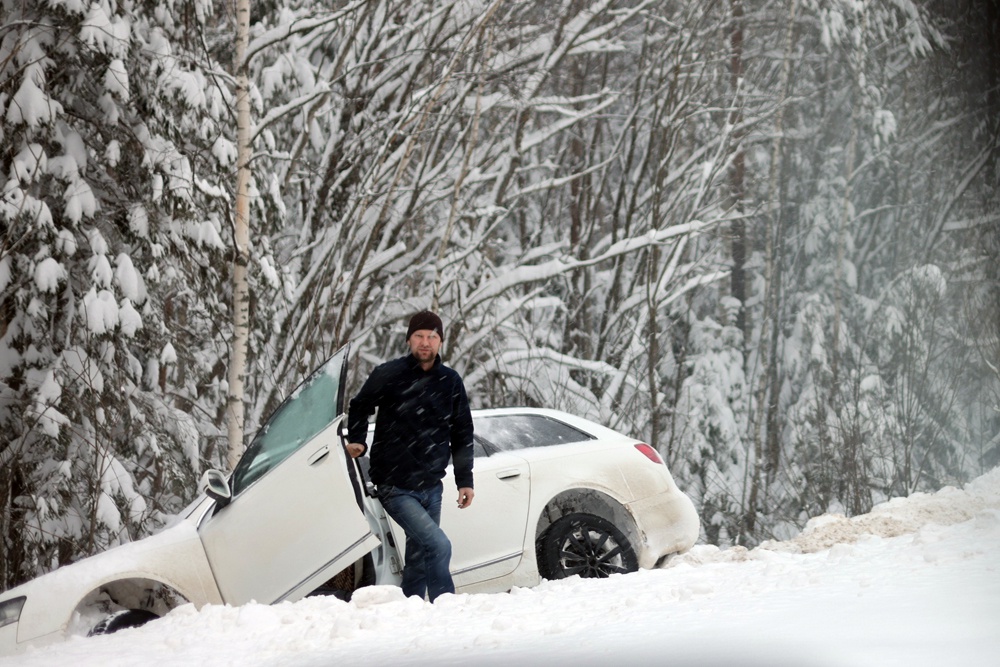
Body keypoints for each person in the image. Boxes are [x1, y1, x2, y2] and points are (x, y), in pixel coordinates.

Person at [345, 310, 474, 602]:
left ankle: (410, 610)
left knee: (418, 556)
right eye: (419, 336)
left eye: (432, 336)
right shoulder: (389, 374)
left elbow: (463, 432)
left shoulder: (450, 381)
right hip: (396, 486)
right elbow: (359, 405)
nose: (425, 342)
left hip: (432, 487)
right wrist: (357, 440)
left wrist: (465, 480)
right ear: (409, 340)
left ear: (440, 341)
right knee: (439, 546)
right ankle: (447, 609)